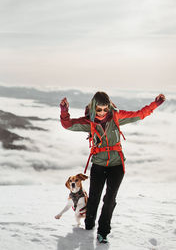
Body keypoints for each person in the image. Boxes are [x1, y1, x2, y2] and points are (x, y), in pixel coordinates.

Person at [60, 91, 165, 243]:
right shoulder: (88, 122)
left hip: (117, 165)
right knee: (94, 197)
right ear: (94, 107)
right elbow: (67, 124)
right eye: (99, 109)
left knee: (110, 199)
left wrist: (155, 104)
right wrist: (64, 111)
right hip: (98, 164)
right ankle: (89, 224)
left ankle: (103, 232)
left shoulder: (116, 117)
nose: (103, 112)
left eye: (105, 109)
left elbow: (139, 114)